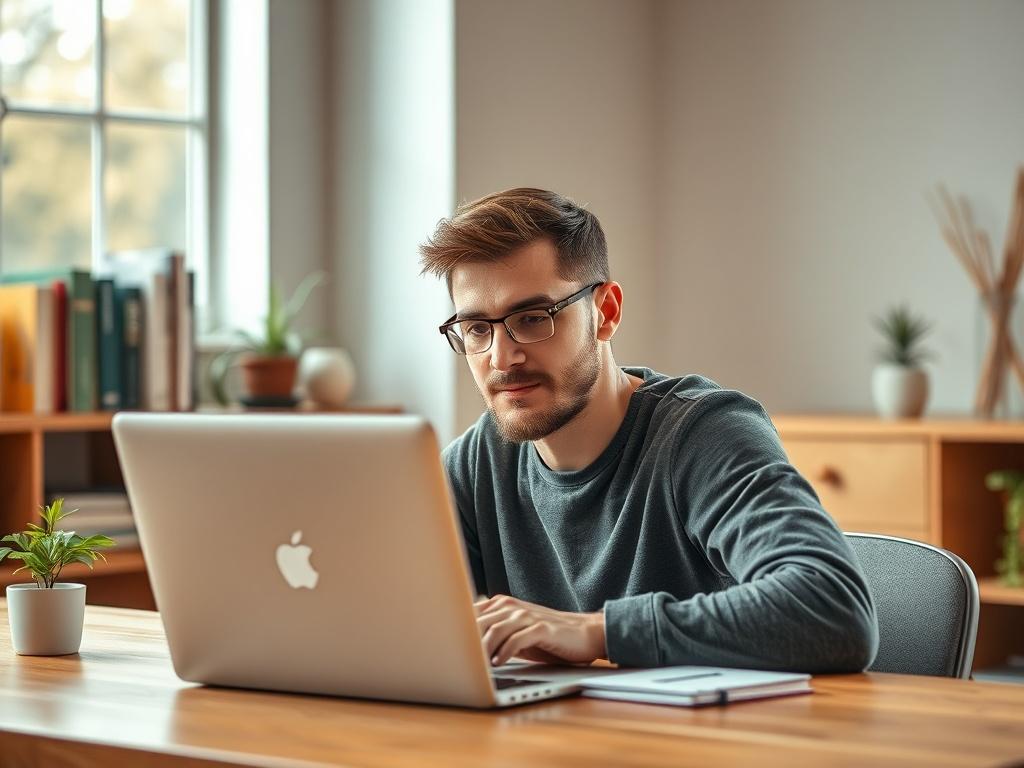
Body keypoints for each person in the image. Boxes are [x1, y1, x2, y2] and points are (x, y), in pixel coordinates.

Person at [419, 188, 878, 672]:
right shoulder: (475, 464)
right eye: (476, 329)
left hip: (701, 742)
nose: (502, 357)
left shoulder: (705, 434)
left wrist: (596, 632)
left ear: (606, 312)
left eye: (533, 319)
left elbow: (833, 607)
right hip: (544, 739)